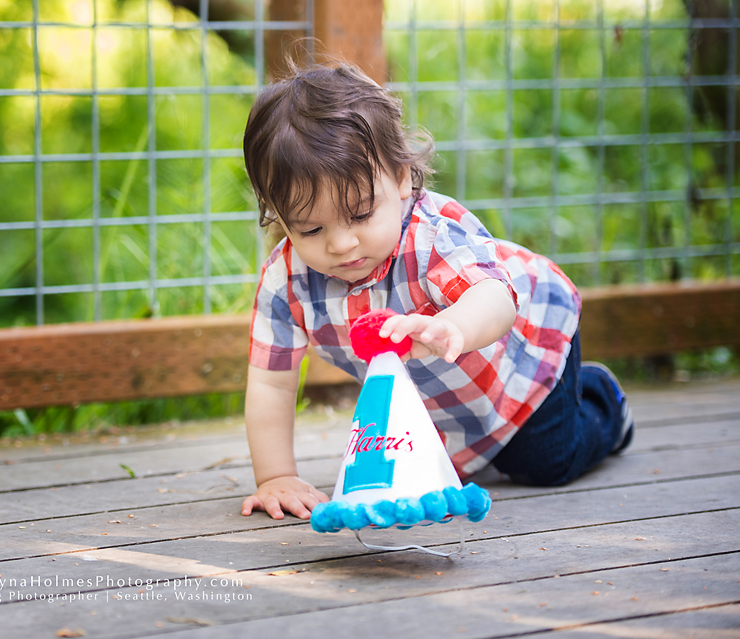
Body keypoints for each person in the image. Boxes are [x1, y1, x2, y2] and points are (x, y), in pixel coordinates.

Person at [239, 64, 634, 521]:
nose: (341, 244)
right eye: (310, 228)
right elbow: (271, 381)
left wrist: (452, 325)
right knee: (454, 465)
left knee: (545, 461)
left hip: (522, 356)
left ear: (403, 178)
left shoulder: (431, 238)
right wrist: (275, 476)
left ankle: (604, 398)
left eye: (362, 214)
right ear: (279, 217)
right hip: (449, 394)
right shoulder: (285, 281)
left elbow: (495, 299)